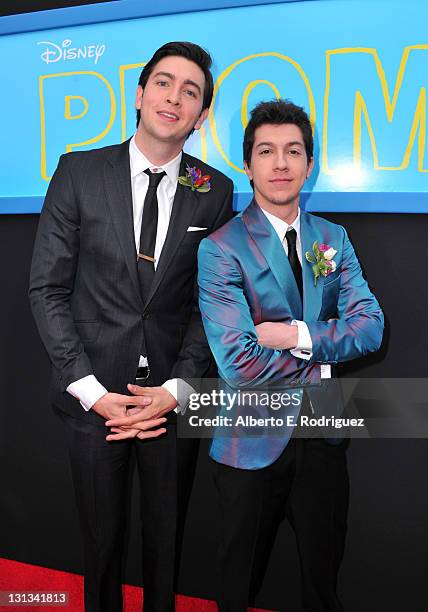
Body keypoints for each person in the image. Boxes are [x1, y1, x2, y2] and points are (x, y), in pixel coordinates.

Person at [29, 41, 233, 612]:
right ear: (140, 94)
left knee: (165, 549)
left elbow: (208, 305)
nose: (175, 97)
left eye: (191, 91)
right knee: (101, 550)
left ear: (202, 114)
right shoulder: (79, 171)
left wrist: (174, 392)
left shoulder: (213, 191)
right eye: (164, 83)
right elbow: (46, 289)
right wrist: (92, 394)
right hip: (93, 400)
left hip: (169, 404)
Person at [197, 99, 384, 611]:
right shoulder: (221, 248)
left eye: (293, 151)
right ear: (248, 162)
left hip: (323, 439)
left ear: (309, 162)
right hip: (248, 443)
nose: (280, 163)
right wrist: (323, 355)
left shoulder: (332, 238)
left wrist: (294, 334)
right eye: (267, 151)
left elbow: (371, 328)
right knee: (237, 586)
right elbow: (238, 363)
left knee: (322, 584)